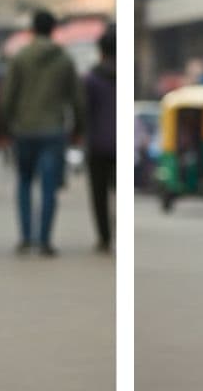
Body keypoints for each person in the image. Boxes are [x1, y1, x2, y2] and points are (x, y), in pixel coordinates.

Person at [0, 9, 84, 256]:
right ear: (54, 30)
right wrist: (79, 129)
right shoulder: (65, 60)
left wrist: (5, 127)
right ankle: (45, 239)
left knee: (24, 182)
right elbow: (77, 99)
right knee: (49, 187)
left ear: (33, 30)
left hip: (24, 131)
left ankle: (26, 237)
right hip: (53, 132)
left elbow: (6, 98)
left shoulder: (20, 58)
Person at [84, 24, 116, 252]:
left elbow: (83, 110)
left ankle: (104, 237)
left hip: (97, 144)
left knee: (99, 194)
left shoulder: (91, 79)